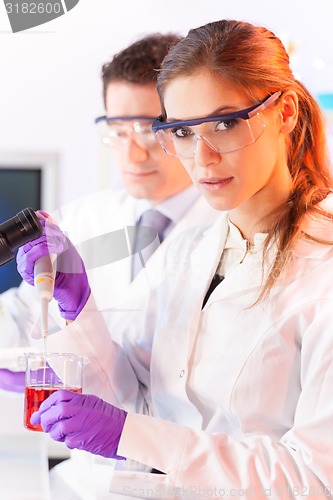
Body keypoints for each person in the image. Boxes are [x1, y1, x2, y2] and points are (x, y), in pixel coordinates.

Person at [13, 18, 333, 498]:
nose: (201, 158)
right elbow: (141, 402)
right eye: (182, 131)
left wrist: (134, 436)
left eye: (225, 122)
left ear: (284, 112)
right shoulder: (189, 251)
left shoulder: (322, 266)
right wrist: (79, 309)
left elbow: (315, 477)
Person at [0, 32, 219, 346]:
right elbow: (21, 321)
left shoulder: (232, 227)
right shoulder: (80, 220)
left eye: (147, 131)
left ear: (185, 126)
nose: (131, 155)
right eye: (117, 132)